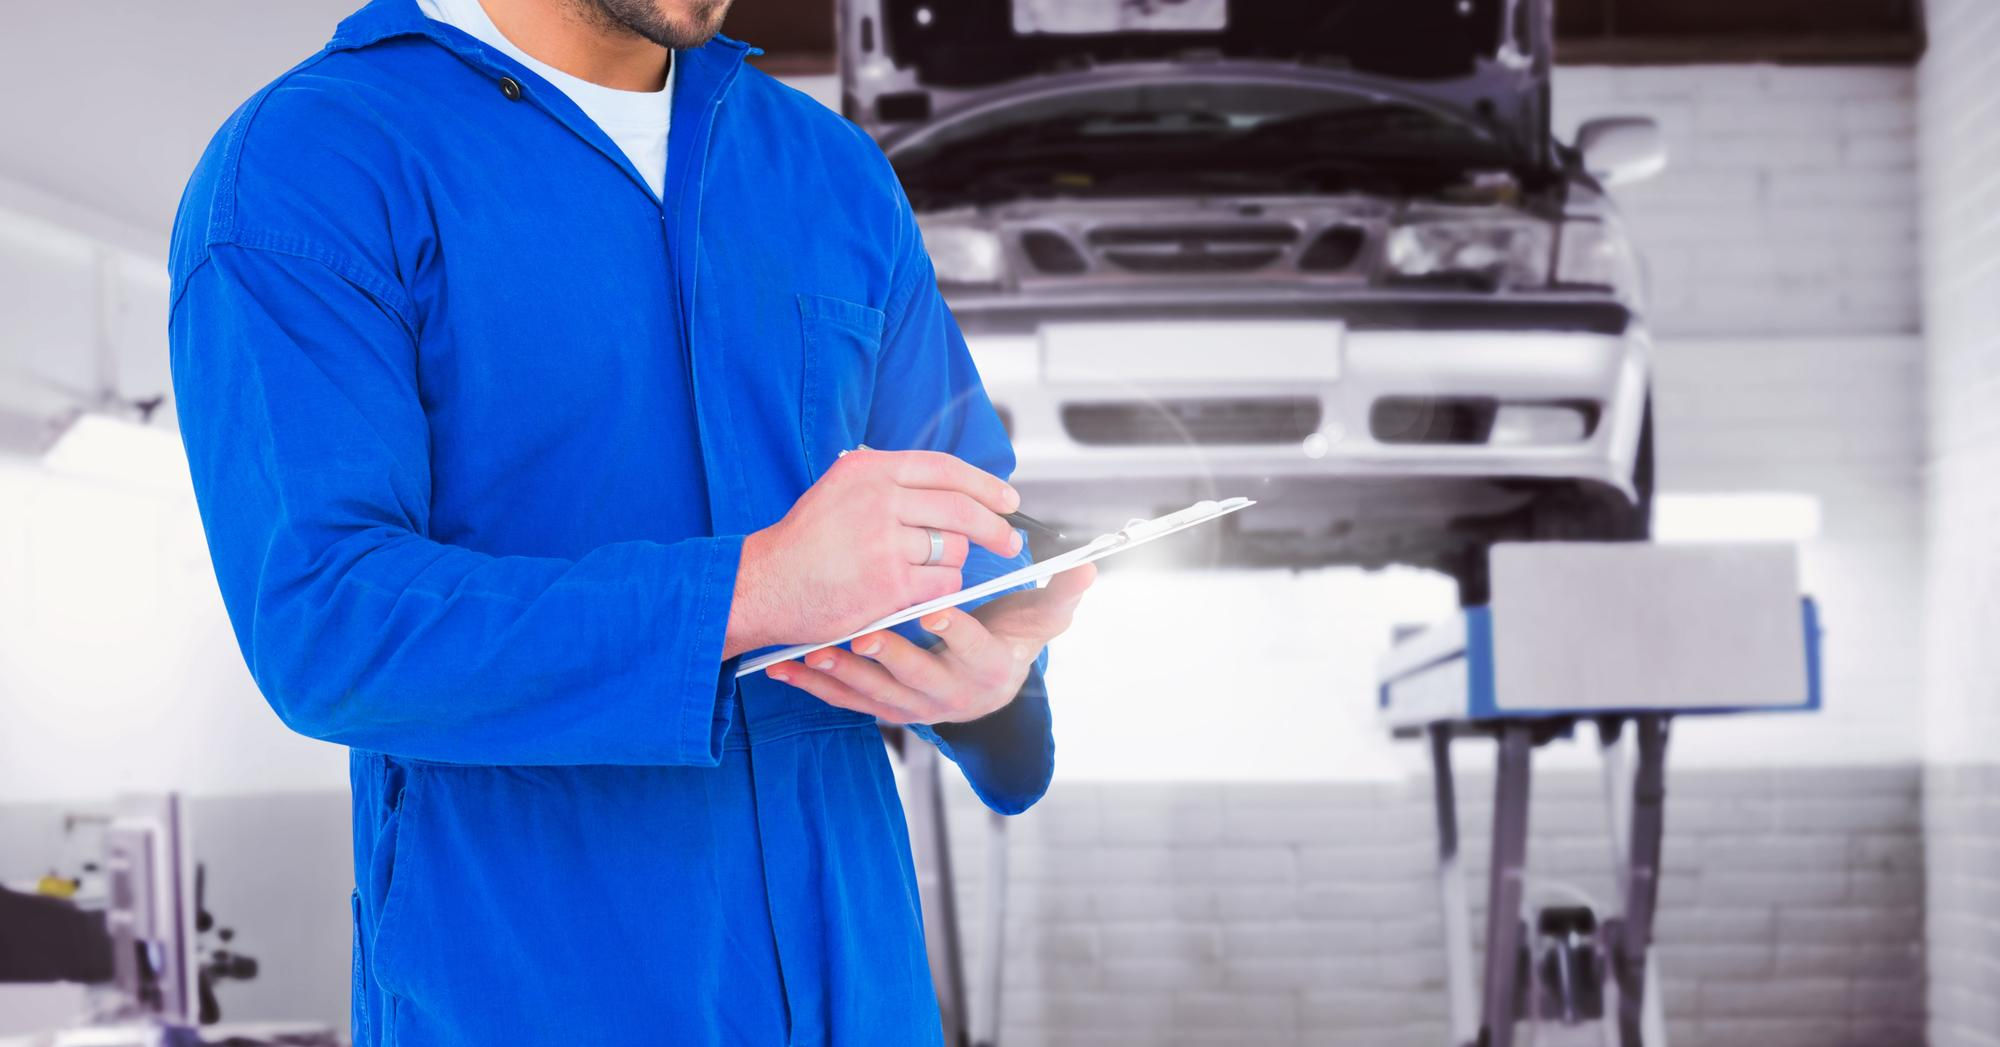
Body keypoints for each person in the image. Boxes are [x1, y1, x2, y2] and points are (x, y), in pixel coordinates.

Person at [165, 0, 1094, 1042]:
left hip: (857, 984)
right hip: (538, 992)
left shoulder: (827, 171)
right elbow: (327, 624)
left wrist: (986, 687)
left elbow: (959, 525)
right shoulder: (315, 164)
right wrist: (750, 590)